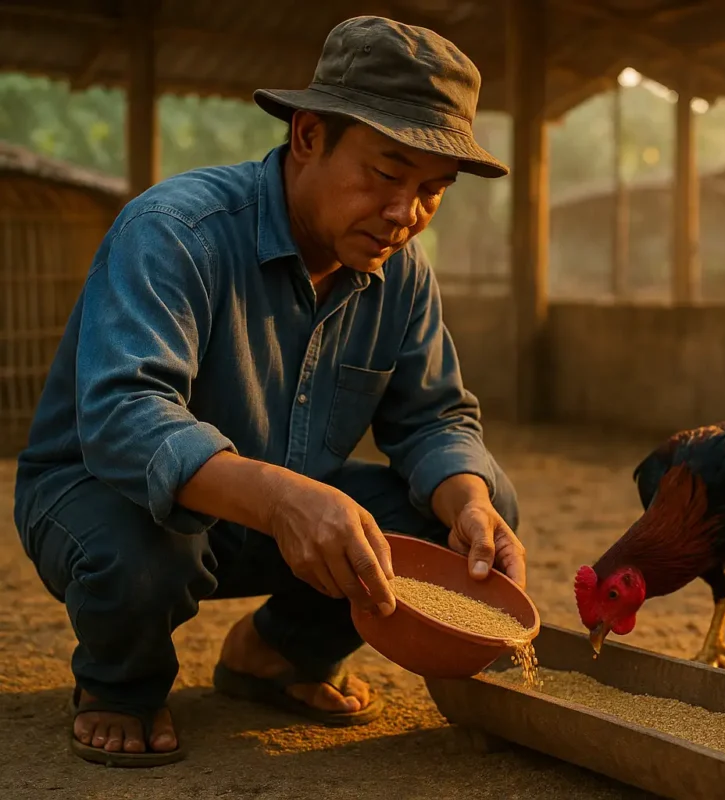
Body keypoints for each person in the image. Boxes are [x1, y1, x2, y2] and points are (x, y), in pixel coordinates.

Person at [12, 16, 523, 767]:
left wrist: (470, 502)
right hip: (106, 497)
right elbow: (125, 418)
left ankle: (277, 652)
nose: (405, 214)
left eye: (432, 190)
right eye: (387, 175)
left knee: (467, 510)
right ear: (309, 136)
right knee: (142, 553)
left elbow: (435, 418)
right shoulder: (176, 230)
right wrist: (283, 499)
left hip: (285, 517)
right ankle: (119, 684)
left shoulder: (402, 274)